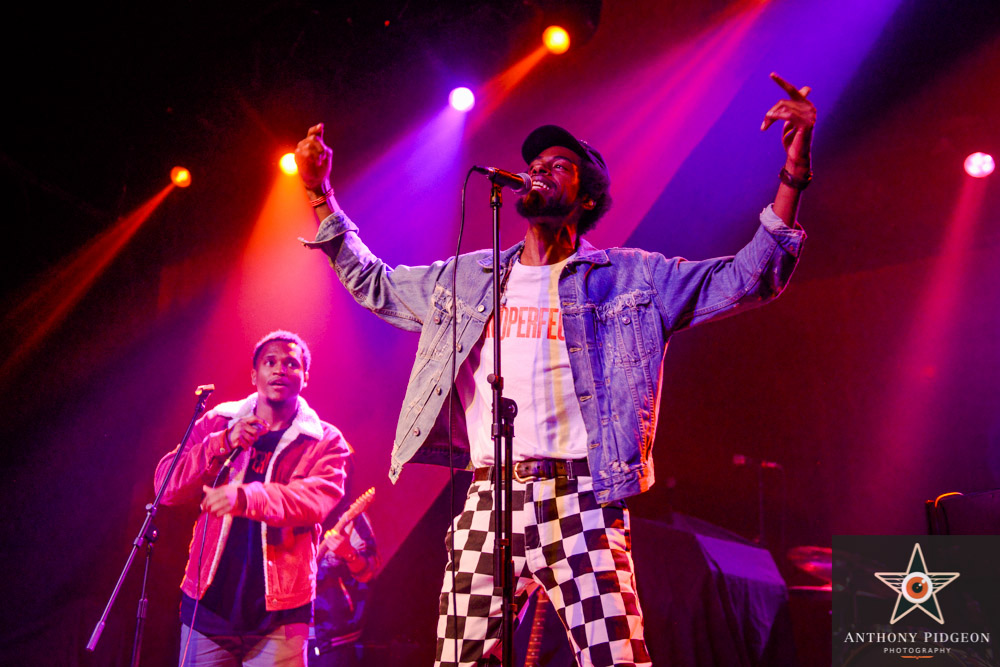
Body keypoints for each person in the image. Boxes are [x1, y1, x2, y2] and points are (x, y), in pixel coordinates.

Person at [293, 73, 815, 667]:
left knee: (616, 658)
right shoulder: (469, 277)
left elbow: (748, 277)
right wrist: (320, 195)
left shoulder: (630, 278)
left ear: (587, 198)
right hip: (489, 497)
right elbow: (378, 285)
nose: (538, 168)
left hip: (583, 498)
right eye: (534, 162)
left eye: (558, 165)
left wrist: (793, 174)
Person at [154, 330, 351, 666]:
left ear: (305, 377)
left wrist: (247, 497)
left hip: (281, 615)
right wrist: (222, 441)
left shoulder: (324, 441)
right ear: (254, 375)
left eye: (291, 363)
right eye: (270, 362)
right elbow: (165, 488)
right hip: (209, 607)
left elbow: (313, 502)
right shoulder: (220, 422)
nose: (280, 370)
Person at [309, 493, 379, 667]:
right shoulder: (289, 510)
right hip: (283, 631)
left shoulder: (350, 517)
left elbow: (369, 571)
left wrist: (349, 554)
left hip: (333, 637)